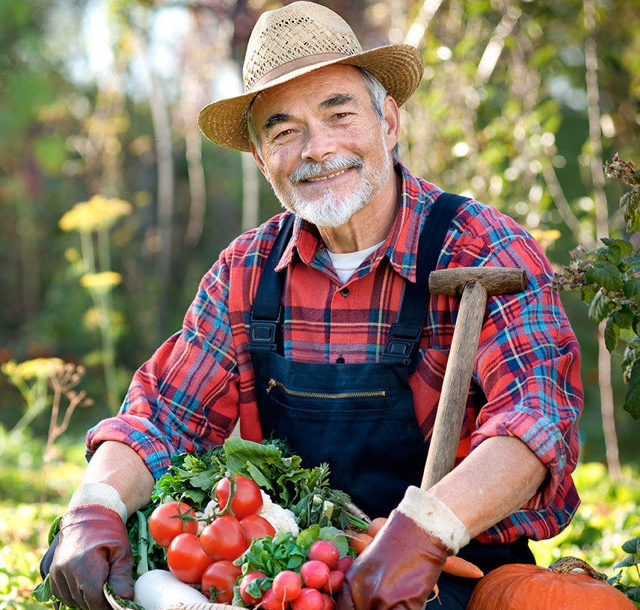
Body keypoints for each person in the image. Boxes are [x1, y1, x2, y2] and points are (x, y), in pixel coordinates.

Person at [44, 2, 583, 609]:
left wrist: (426, 533)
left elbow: (536, 421)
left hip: (452, 571)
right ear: (260, 160)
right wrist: (94, 507)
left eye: (338, 113)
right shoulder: (246, 271)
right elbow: (165, 415)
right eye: (284, 131)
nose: (316, 148)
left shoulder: (484, 248)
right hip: (299, 580)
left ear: (389, 122)